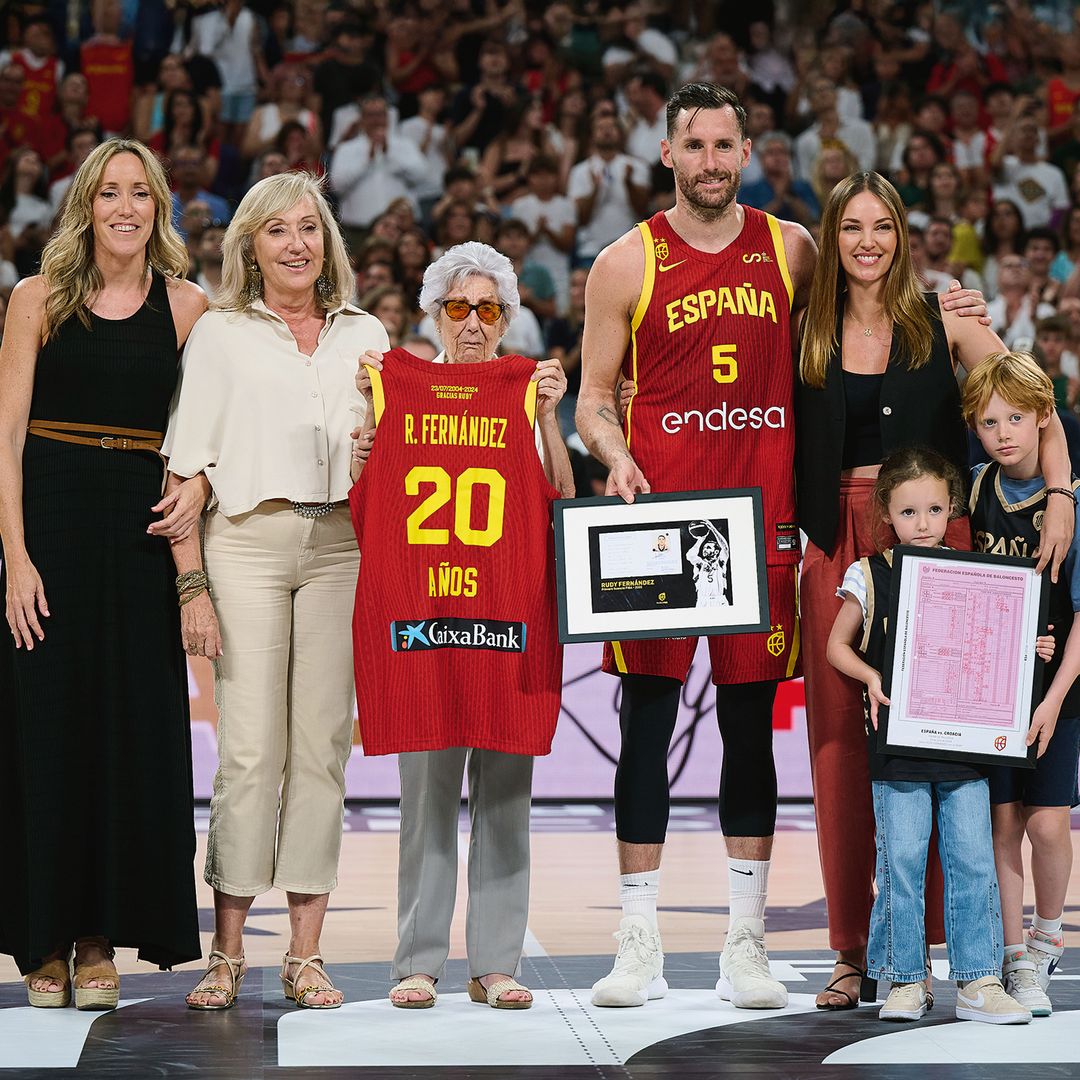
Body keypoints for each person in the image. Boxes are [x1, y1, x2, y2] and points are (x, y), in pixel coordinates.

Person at [795, 170, 1074, 1011]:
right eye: (851, 228)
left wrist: (1062, 494)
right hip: (835, 544)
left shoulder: (945, 318)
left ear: (904, 234)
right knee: (844, 753)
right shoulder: (803, 329)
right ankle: (858, 953)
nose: (868, 242)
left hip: (939, 541)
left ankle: (968, 957)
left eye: (882, 226)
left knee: (956, 755)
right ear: (832, 238)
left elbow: (1038, 406)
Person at [576, 82, 817, 1012]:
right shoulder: (623, 263)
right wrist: (614, 453)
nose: (712, 161)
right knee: (646, 724)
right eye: (696, 145)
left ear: (747, 152)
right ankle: (637, 942)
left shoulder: (790, 250)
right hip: (660, 524)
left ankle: (744, 945)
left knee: (748, 731)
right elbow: (594, 399)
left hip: (763, 525)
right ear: (666, 154)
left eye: (728, 145)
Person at [163, 171, 390, 1011]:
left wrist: (378, 458)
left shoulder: (367, 333)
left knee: (323, 750)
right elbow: (184, 468)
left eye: (309, 227)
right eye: (277, 231)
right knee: (251, 752)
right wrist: (191, 585)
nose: (298, 244)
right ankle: (226, 954)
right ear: (249, 248)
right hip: (245, 542)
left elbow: (397, 458)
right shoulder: (220, 334)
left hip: (344, 546)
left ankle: (305, 954)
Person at [0, 138, 208, 1008]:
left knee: (126, 732)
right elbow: (6, 439)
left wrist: (197, 484)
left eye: (141, 194)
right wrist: (13, 558)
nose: (125, 207)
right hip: (49, 526)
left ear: (158, 207)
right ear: (85, 204)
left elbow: (209, 425)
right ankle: (42, 937)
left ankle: (96, 942)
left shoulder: (192, 306)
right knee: (45, 731)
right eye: (110, 193)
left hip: (137, 536)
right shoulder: (36, 298)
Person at [350, 241, 572, 1011]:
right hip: (425, 618)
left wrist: (548, 418)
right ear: (434, 314)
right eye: (458, 307)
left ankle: (496, 963)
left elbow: (560, 498)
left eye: (488, 309)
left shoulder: (526, 390)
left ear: (508, 318)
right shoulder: (392, 387)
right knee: (426, 801)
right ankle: (418, 960)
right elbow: (364, 501)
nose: (473, 323)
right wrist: (362, 453)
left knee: (507, 798)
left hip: (506, 615)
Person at [826, 447, 1036, 1026]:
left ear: (952, 510)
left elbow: (1002, 645)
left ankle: (979, 979)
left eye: (935, 510)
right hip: (898, 751)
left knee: (972, 861)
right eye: (909, 511)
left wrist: (1029, 650)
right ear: (887, 514)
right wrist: (870, 675)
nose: (923, 523)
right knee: (901, 862)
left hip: (965, 748)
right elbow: (834, 646)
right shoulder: (868, 573)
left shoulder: (974, 572)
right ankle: (904, 979)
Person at [963, 352, 1080, 1017]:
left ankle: (1047, 937)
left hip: (1056, 692)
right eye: (987, 422)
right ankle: (1013, 958)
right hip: (990, 690)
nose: (1003, 432)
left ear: (1044, 418)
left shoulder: (1072, 503)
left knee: (1049, 825)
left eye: (1015, 418)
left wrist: (1056, 694)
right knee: (1000, 824)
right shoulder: (976, 491)